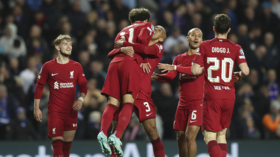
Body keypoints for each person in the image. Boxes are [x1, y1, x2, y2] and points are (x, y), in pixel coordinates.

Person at [97, 8, 155, 157]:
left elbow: (111, 52)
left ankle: (102, 132)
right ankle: (117, 135)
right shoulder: (147, 26)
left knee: (112, 103)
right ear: (146, 20)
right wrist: (144, 58)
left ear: (131, 21)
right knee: (128, 101)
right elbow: (142, 40)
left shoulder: (122, 31)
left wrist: (123, 48)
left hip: (114, 64)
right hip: (130, 64)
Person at [191, 14, 250, 157]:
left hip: (212, 96)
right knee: (222, 134)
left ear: (214, 29)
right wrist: (239, 75)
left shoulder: (205, 45)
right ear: (229, 30)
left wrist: (208, 68)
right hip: (229, 96)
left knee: (209, 135)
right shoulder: (236, 47)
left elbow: (194, 71)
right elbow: (246, 71)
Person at [108, 25, 167, 157]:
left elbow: (145, 49)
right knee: (116, 132)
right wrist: (122, 48)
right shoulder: (135, 44)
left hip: (142, 92)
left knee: (152, 132)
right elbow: (112, 53)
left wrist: (124, 44)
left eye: (160, 30)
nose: (156, 30)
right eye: (155, 28)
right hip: (125, 89)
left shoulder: (158, 47)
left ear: (162, 39)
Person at [33, 35, 88, 157]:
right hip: (55, 111)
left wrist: (80, 99)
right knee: (57, 146)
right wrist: (36, 108)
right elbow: (39, 86)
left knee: (66, 148)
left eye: (70, 44)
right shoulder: (48, 66)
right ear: (57, 47)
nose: (69, 46)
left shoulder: (77, 66)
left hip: (71, 111)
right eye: (65, 44)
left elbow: (84, 86)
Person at [153, 28, 204, 157]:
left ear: (202, 40)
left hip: (197, 103)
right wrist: (155, 76)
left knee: (190, 136)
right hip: (182, 104)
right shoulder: (179, 58)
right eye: (193, 35)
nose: (196, 37)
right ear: (187, 38)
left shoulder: (204, 58)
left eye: (199, 36)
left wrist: (175, 67)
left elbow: (194, 70)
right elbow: (170, 76)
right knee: (180, 136)